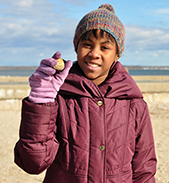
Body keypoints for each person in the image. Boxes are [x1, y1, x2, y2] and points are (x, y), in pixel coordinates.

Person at [14, 4, 157, 183]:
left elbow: (144, 169)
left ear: (117, 54)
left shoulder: (134, 104)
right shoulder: (57, 97)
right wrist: (40, 103)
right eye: (87, 45)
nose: (94, 53)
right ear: (76, 47)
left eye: (105, 48)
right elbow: (33, 163)